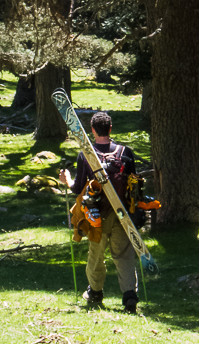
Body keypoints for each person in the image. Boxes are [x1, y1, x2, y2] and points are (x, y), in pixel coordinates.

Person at [59, 111, 139, 313]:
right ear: (110, 129)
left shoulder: (86, 155)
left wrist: (66, 180)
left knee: (96, 254)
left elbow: (78, 188)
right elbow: (135, 183)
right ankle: (130, 295)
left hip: (96, 214)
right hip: (122, 214)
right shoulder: (126, 152)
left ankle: (95, 292)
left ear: (93, 130)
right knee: (124, 255)